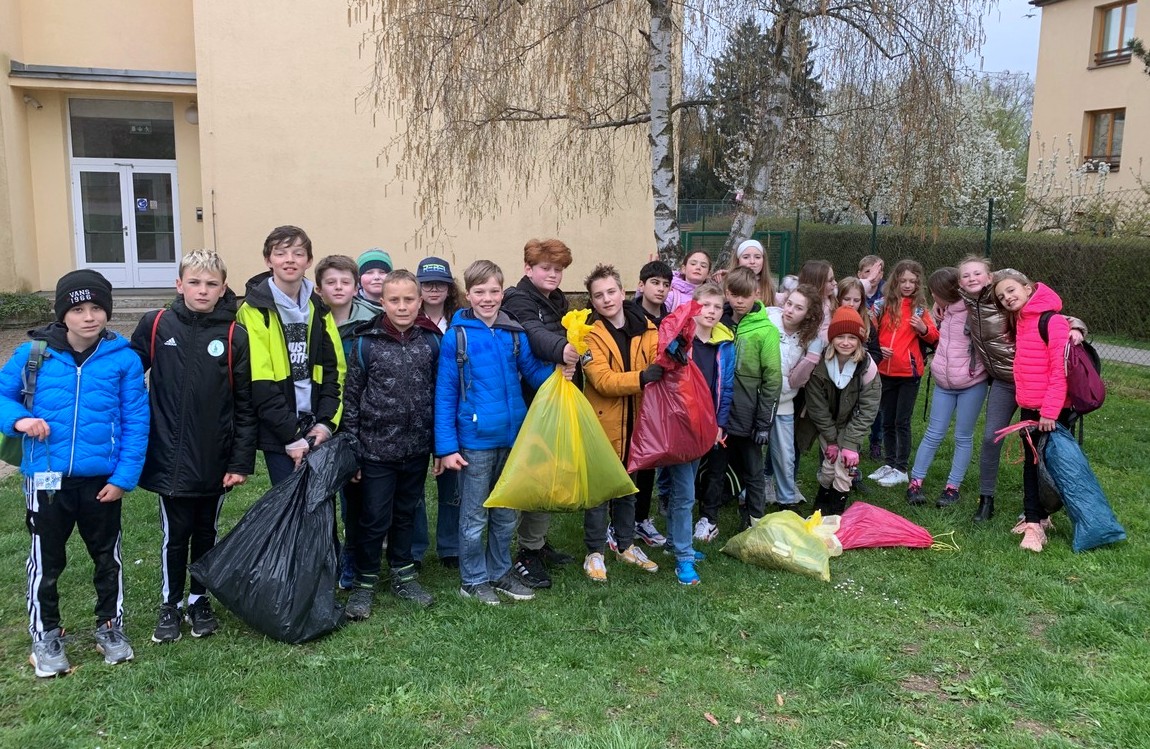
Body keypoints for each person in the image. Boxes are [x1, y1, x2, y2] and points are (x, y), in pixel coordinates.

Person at [0, 270, 149, 677]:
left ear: (107, 312)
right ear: (63, 313)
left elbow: (137, 420)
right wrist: (19, 422)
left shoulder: (123, 359)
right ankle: (45, 633)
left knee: (107, 558)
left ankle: (110, 627)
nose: (88, 317)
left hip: (101, 482)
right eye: (78, 309)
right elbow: (3, 395)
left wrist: (123, 478)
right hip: (45, 480)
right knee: (46, 561)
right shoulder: (33, 354)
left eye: (97, 308)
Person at [130, 250, 257, 644]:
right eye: (195, 283)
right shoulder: (155, 325)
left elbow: (245, 406)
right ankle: (170, 604)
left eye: (211, 284)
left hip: (215, 459)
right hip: (168, 457)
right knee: (175, 534)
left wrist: (239, 461)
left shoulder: (235, 335)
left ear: (223, 289)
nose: (203, 291)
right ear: (179, 284)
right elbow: (125, 376)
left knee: (207, 531)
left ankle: (199, 600)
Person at [434, 260, 552, 605]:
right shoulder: (456, 337)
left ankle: (499, 571)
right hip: (475, 442)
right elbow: (444, 395)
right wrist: (445, 447)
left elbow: (532, 372)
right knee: (473, 516)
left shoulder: (513, 333)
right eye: (480, 292)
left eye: (494, 291)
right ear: (468, 295)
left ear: (503, 292)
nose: (488, 298)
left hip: (512, 438)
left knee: (506, 512)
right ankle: (472, 579)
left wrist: (561, 371)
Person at [957, 255, 1087, 522]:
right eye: (966, 276)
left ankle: (1041, 508)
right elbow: (938, 284)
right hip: (1005, 383)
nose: (972, 279)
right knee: (991, 437)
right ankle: (986, 499)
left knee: (1039, 449)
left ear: (989, 276)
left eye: (978, 274)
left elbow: (1059, 318)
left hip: (1035, 383)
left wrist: (1078, 328)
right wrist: (939, 303)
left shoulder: (1013, 304)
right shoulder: (967, 304)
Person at [342, 270, 442, 617]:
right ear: (381, 302)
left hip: (415, 449)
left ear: (419, 301)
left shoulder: (431, 341)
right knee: (373, 517)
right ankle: (364, 581)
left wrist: (437, 447)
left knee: (405, 514)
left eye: (409, 300)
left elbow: (439, 394)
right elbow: (351, 399)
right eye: (394, 300)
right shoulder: (366, 343)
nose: (402, 307)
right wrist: (354, 451)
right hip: (374, 452)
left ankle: (403, 572)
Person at [237, 226, 346, 486]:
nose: (289, 260)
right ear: (268, 260)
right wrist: (291, 436)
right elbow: (259, 381)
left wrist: (326, 424)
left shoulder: (318, 307)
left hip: (317, 426)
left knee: (320, 510)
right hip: (280, 429)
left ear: (308, 261)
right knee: (289, 512)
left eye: (298, 253)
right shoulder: (254, 310)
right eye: (281, 253)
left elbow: (335, 371)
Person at [500, 238, 579, 589]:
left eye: (558, 269)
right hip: (528, 401)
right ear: (528, 269)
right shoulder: (518, 299)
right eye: (545, 268)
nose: (553, 274)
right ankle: (522, 555)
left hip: (551, 397)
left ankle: (536, 542)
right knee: (529, 476)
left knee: (548, 472)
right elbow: (533, 334)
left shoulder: (556, 300)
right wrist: (565, 347)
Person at [579, 264, 663, 581]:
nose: (606, 299)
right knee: (600, 493)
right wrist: (642, 378)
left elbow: (660, 358)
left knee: (630, 487)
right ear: (592, 301)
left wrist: (672, 358)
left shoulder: (648, 327)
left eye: (611, 291)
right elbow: (602, 381)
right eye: (598, 295)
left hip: (638, 423)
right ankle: (595, 551)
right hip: (604, 425)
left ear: (623, 291)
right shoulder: (587, 334)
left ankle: (625, 544)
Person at [993, 269, 1074, 552]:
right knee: (1033, 463)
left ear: (1028, 288)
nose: (1008, 298)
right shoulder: (1021, 320)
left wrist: (1050, 412)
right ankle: (1036, 519)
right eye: (1002, 297)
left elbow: (1059, 370)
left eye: (1012, 290)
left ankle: (1037, 522)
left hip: (1051, 410)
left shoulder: (1052, 321)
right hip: (1029, 406)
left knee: (1049, 465)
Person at [315, 253, 381, 589]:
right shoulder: (310, 319)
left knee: (355, 497)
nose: (338, 288)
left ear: (357, 287)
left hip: (362, 419)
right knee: (321, 496)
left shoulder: (374, 321)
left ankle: (352, 560)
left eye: (345, 282)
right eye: (331, 282)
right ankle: (323, 558)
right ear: (319, 287)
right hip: (322, 419)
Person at [905, 268, 989, 509]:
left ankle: (952, 488)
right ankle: (915, 483)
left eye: (934, 293)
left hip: (971, 384)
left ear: (943, 293)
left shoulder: (976, 311)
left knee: (963, 436)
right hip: (944, 382)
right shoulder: (942, 311)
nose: (932, 297)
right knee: (933, 432)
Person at [799, 306, 881, 516]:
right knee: (829, 465)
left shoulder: (867, 367)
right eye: (840, 337)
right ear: (832, 339)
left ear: (860, 341)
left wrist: (851, 444)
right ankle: (820, 505)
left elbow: (869, 408)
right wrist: (832, 441)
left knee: (845, 467)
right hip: (828, 423)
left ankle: (836, 513)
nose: (846, 342)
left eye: (852, 338)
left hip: (852, 422)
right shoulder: (820, 365)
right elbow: (817, 407)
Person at [412, 256, 465, 569]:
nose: (433, 289)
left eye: (439, 283)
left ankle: (451, 547)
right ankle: (415, 549)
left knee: (453, 484)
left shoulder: (460, 319)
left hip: (453, 411)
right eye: (427, 283)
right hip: (417, 411)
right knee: (414, 487)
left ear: (449, 287)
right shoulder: (409, 318)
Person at [869, 259, 939, 488]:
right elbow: (869, 334)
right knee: (886, 420)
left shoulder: (920, 309)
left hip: (909, 374)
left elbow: (936, 338)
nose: (907, 285)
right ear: (895, 281)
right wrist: (879, 348)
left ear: (918, 284)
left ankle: (901, 467)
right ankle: (889, 463)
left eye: (912, 281)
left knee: (902, 421)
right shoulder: (881, 306)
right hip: (883, 371)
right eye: (903, 280)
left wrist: (924, 329)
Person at [721, 267, 782, 529]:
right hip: (721, 411)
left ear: (756, 294)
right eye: (734, 295)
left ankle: (755, 517)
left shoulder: (765, 330)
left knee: (753, 468)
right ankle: (710, 511)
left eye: (745, 296)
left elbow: (773, 379)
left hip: (749, 412)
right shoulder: (719, 322)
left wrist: (763, 423)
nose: (739, 301)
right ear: (727, 293)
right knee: (717, 463)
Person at [765, 283, 825, 509]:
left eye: (798, 308)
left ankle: (786, 500)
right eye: (789, 304)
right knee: (750, 451)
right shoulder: (769, 319)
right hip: (759, 400)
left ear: (808, 314)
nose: (790, 310)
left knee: (785, 453)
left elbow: (797, 379)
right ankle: (747, 498)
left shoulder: (811, 337)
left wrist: (811, 357)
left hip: (784, 401)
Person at [629, 260, 673, 547]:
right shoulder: (630, 317)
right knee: (627, 462)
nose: (661, 289)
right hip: (633, 397)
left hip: (660, 401)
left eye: (666, 284)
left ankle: (641, 518)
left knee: (649, 462)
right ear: (641, 285)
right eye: (655, 283)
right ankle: (620, 520)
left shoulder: (670, 319)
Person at [688, 283, 736, 542]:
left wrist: (721, 422)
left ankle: (709, 518)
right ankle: (680, 519)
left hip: (714, 417)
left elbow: (727, 386)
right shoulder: (684, 339)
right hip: (687, 418)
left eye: (717, 306)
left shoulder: (726, 342)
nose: (711, 311)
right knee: (686, 472)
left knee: (716, 467)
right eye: (706, 305)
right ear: (694, 305)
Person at [718, 239, 776, 304]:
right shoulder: (724, 282)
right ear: (737, 260)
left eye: (757, 257)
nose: (752, 261)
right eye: (746, 257)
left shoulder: (769, 285)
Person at [797, 260, 838, 343]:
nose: (835, 283)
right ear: (817, 284)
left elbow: (854, 287)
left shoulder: (831, 299)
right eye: (830, 280)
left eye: (834, 279)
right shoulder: (800, 303)